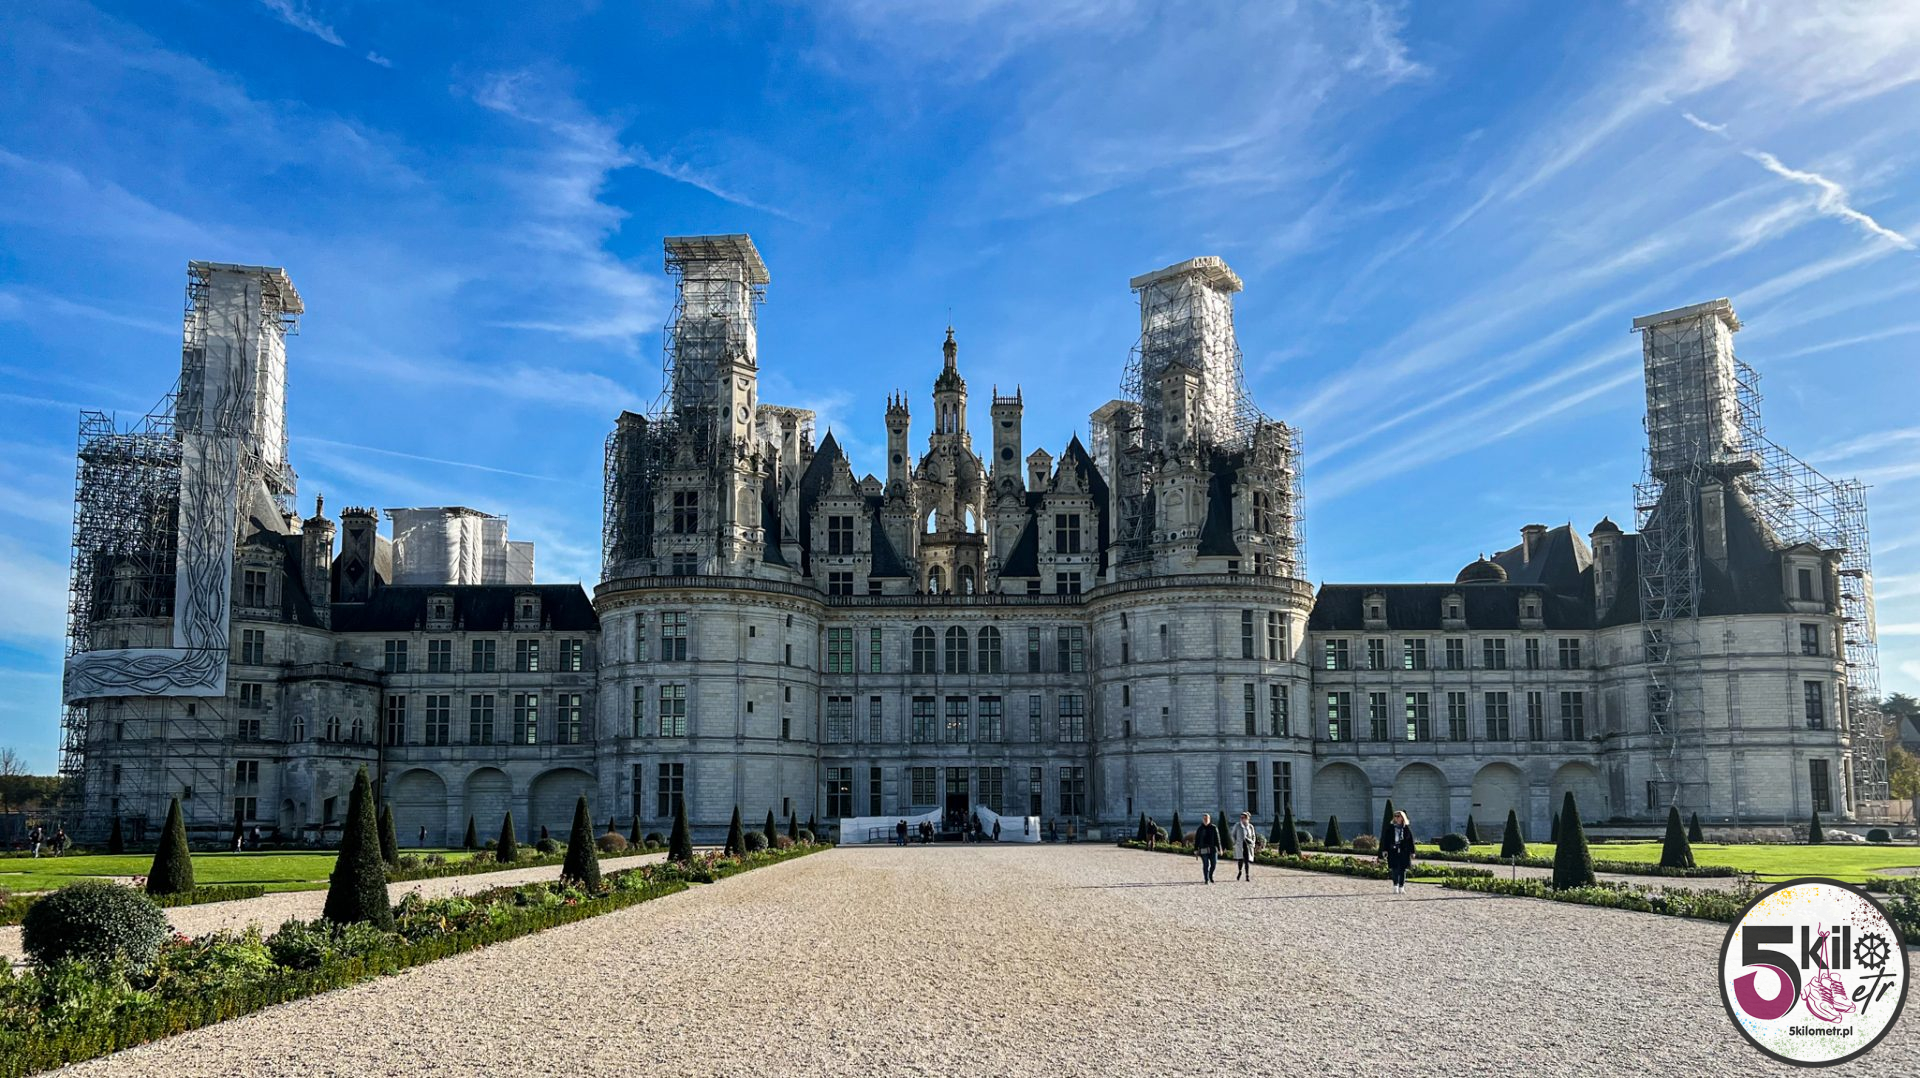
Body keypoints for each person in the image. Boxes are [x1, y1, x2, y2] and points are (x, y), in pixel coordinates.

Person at [1381, 810, 1416, 893]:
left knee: (1403, 870)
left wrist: (1412, 852)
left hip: (1404, 851)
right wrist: (1385, 850)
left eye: (1398, 816)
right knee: (1395, 869)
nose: (1396, 818)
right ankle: (1395, 886)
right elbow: (1386, 840)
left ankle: (1401, 887)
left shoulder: (1406, 828)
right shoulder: (1390, 828)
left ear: (1402, 818)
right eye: (1395, 816)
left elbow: (1410, 841)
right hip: (1393, 850)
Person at [1194, 813, 1221, 884]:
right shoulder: (1200, 829)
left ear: (1209, 819)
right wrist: (1195, 849)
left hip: (1212, 849)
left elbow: (1217, 839)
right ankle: (1206, 879)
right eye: (1204, 819)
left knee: (1214, 864)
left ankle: (1210, 875)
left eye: (1207, 818)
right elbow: (1197, 840)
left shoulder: (1214, 828)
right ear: (1202, 820)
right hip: (1203, 849)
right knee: (1206, 864)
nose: (1206, 820)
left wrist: (1220, 849)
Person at [1231, 811, 1257, 881]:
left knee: (1247, 861)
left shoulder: (1250, 826)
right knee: (1240, 860)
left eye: (1243, 817)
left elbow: (1253, 836)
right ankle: (1240, 871)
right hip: (1240, 845)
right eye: (1241, 817)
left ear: (1247, 818)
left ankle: (1247, 875)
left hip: (1248, 845)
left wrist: (1253, 842)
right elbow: (1233, 835)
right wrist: (1235, 842)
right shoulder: (1237, 825)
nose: (1242, 819)